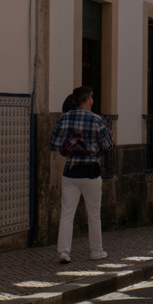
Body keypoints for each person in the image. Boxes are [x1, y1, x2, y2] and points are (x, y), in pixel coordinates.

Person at [49, 86, 113, 264]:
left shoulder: (65, 118)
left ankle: (63, 252)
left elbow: (54, 142)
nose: (92, 100)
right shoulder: (97, 120)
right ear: (87, 99)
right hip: (91, 172)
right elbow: (108, 145)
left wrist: (68, 148)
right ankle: (96, 251)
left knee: (67, 214)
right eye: (91, 97)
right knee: (94, 214)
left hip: (70, 172)